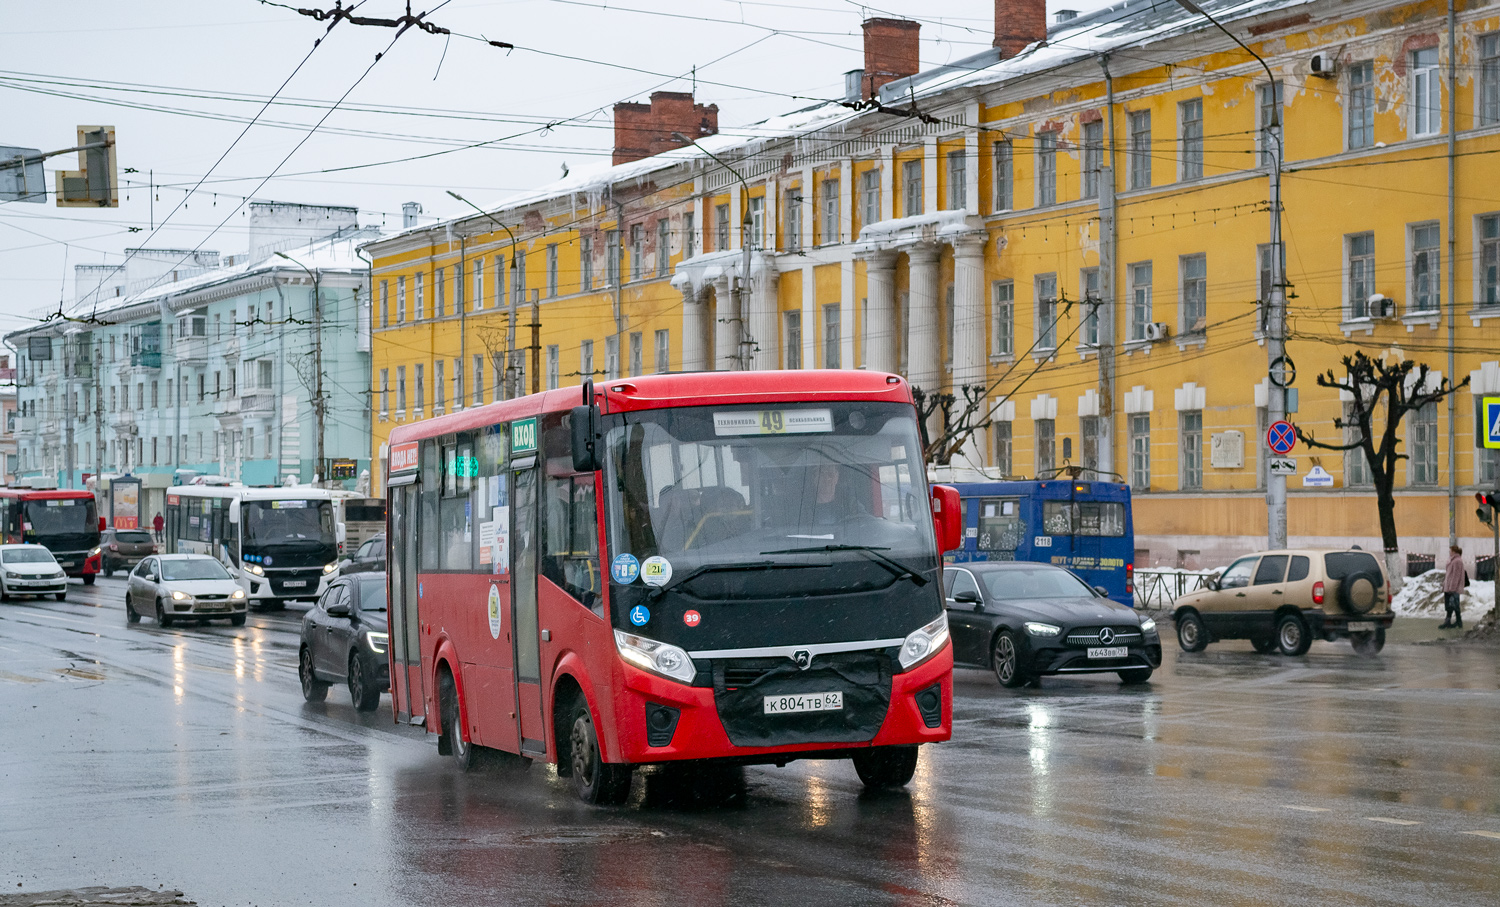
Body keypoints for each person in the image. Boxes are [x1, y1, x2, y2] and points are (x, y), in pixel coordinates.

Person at [1440, 545, 1466, 629]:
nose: (1449, 552)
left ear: (1454, 552)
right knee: (1450, 605)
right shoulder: (1453, 560)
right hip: (1449, 587)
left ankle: (1456, 621)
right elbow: (1449, 575)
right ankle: (1453, 621)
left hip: (1453, 588)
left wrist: (1452, 588)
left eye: (1450, 551)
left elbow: (1456, 576)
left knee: (1454, 605)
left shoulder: (1457, 561)